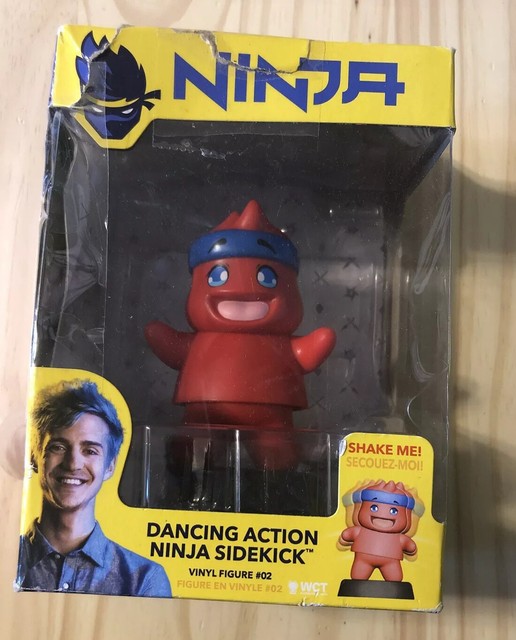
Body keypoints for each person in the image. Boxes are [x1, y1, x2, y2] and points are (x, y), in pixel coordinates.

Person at [17, 380, 171, 597]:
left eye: (90, 451)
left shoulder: (144, 580)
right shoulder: (7, 559)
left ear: (110, 466)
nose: (73, 464)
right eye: (58, 447)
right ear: (33, 456)